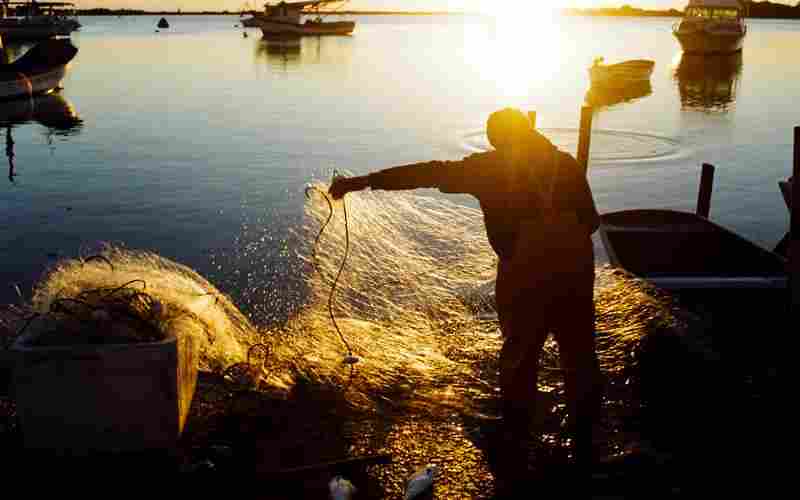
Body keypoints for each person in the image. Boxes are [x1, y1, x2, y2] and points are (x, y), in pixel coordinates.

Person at [329, 108, 602, 476]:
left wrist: (361, 182)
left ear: (498, 140)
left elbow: (428, 172)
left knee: (520, 356)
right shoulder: (564, 163)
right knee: (580, 355)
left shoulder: (488, 169)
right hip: (575, 268)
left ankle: (517, 443)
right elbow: (591, 221)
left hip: (526, 272)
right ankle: (586, 445)